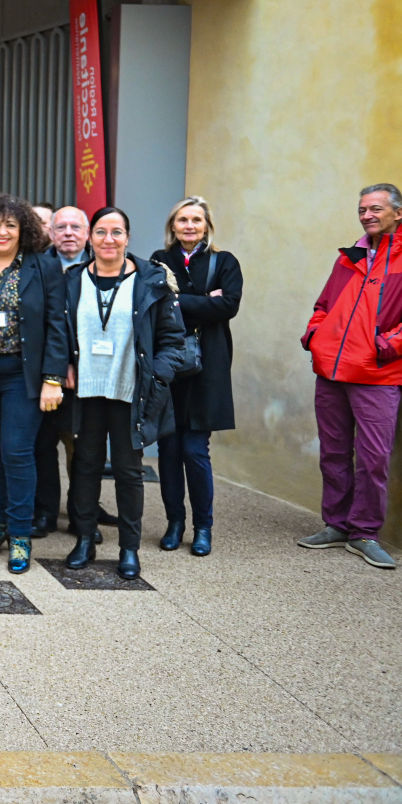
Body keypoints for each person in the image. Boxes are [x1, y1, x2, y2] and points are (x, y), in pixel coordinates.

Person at [63, 206, 189, 579]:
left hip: (130, 390)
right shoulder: (72, 280)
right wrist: (61, 369)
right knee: (84, 466)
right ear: (90, 237)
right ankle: (84, 538)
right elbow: (58, 332)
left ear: (128, 238)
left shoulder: (151, 280)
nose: (108, 240)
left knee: (128, 470)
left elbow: (173, 339)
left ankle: (129, 549)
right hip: (84, 391)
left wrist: (157, 376)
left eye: (116, 232)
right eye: (101, 232)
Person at [298, 183, 402, 570]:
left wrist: (386, 347)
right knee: (332, 453)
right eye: (363, 209)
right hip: (331, 370)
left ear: (398, 213)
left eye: (376, 208)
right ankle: (337, 524)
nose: (367, 215)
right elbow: (323, 304)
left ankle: (364, 532)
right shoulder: (350, 256)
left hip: (377, 374)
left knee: (373, 456)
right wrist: (316, 338)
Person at [0, 195, 69, 575]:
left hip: (23, 375)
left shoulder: (43, 266)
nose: (2, 231)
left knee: (16, 451)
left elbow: (58, 324)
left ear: (23, 229)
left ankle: (20, 536)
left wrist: (53, 379)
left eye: (10, 225)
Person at [152, 196, 242, 557]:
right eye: (182, 220)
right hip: (170, 365)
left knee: (194, 449)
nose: (189, 226)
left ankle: (203, 527)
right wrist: (205, 300)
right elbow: (159, 304)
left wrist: (183, 300)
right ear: (173, 226)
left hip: (208, 366)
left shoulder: (225, 261)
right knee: (169, 449)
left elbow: (228, 306)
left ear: (207, 226)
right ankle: (175, 523)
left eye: (196, 220)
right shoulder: (159, 261)